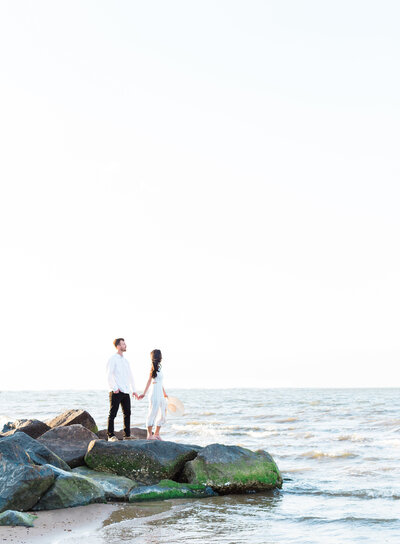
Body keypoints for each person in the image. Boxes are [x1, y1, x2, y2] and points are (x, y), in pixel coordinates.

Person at [106, 338, 138, 441]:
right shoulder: (113, 359)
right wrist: (115, 388)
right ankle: (110, 435)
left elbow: (131, 376)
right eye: (123, 344)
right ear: (118, 346)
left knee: (127, 413)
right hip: (116, 391)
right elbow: (109, 375)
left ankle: (127, 435)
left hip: (125, 391)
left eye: (125, 344)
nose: (125, 345)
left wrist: (134, 390)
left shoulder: (126, 361)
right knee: (113, 413)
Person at [139, 349, 168, 440]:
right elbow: (149, 381)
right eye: (160, 355)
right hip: (154, 392)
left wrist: (164, 393)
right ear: (158, 357)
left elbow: (161, 382)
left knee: (163, 413)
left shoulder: (160, 367)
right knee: (153, 413)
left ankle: (157, 434)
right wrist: (144, 393)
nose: (162, 357)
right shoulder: (152, 368)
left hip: (160, 392)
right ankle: (149, 435)